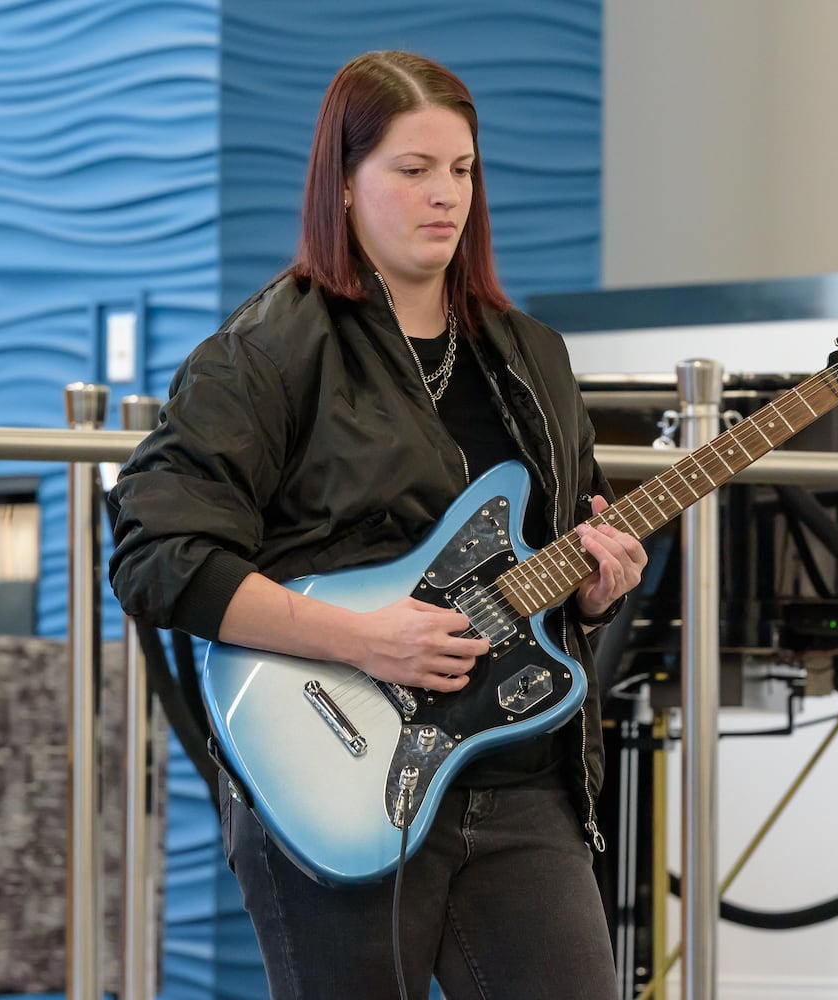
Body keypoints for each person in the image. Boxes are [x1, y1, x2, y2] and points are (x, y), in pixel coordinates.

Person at [108, 50, 645, 1000]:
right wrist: (366, 639)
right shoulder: (264, 354)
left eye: (462, 171)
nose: (446, 196)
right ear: (344, 186)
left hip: (521, 781)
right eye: (412, 170)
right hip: (336, 779)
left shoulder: (533, 360)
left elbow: (556, 553)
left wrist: (599, 589)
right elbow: (157, 556)